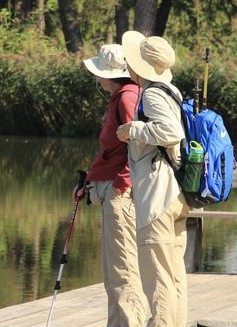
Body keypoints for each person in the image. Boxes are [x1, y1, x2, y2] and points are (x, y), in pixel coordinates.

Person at [116, 31, 189, 327]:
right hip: (176, 194)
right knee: (173, 276)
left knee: (157, 277)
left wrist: (132, 129)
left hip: (158, 198)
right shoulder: (172, 90)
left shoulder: (152, 93)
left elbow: (172, 132)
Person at [76, 44, 149, 327]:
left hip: (121, 194)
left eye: (99, 73)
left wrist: (121, 184)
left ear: (112, 75)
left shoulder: (127, 98)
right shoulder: (120, 97)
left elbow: (139, 144)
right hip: (112, 189)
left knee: (123, 269)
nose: (96, 78)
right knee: (114, 271)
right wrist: (91, 181)